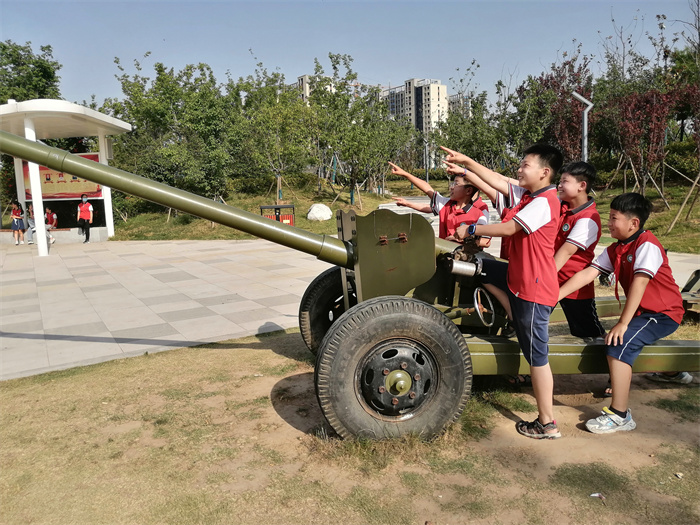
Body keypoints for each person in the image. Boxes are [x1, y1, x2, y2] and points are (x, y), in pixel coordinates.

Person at [447, 144, 565, 439]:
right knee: (481, 268)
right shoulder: (530, 196)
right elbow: (497, 180)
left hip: (534, 290)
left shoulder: (545, 201)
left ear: (544, 172)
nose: (519, 169)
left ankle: (547, 423)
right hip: (518, 279)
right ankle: (512, 315)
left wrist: (473, 230)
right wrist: (468, 162)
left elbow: (510, 229)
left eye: (525, 165)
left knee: (536, 355)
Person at [558, 192, 685, 434]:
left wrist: (623, 323)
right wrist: (554, 296)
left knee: (619, 343)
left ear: (633, 223)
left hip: (662, 313)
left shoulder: (647, 244)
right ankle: (674, 372)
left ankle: (620, 415)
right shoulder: (618, 248)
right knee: (629, 341)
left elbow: (640, 283)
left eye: (614, 218)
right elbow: (588, 274)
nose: (609, 223)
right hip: (644, 313)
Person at [554, 162, 606, 341]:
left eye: (564, 181)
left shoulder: (588, 218)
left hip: (574, 286)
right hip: (553, 279)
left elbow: (567, 252)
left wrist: (543, 279)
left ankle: (610, 360)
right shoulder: (563, 207)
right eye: (559, 181)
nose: (559, 185)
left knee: (587, 330)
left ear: (582, 186)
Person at [388, 162, 490, 246]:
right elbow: (427, 189)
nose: (451, 187)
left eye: (456, 184)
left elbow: (486, 241)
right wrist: (406, 174)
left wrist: (461, 240)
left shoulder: (479, 213)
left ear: (468, 191)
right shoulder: (446, 204)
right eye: (452, 183)